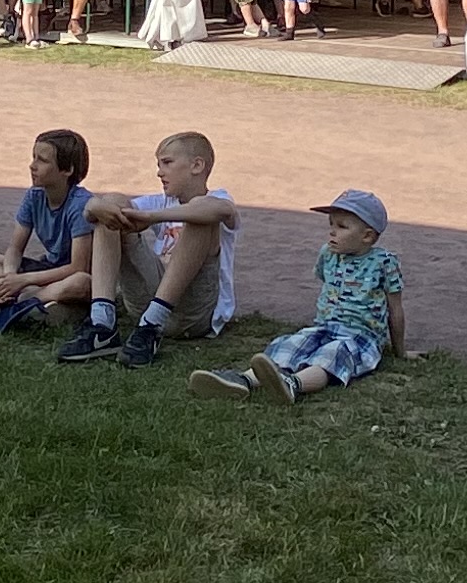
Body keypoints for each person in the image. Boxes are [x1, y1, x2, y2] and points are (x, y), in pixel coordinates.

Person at [193, 187, 406, 402]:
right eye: (331, 224)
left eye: (342, 227)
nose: (332, 231)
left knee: (333, 354)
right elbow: (328, 282)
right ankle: (242, 381)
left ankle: (294, 384)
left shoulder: (384, 263)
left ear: (367, 236)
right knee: (290, 345)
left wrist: (400, 351)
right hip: (324, 326)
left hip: (360, 335)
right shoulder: (328, 254)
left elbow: (395, 309)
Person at [59, 130, 240, 365]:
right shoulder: (161, 200)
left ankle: (152, 324)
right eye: (158, 164)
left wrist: (151, 218)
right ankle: (102, 324)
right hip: (146, 300)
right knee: (112, 205)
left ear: (196, 165)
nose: (159, 172)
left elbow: (223, 211)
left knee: (202, 216)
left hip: (193, 315)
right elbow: (96, 209)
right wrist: (96, 206)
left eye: (167, 163)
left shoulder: (218, 198)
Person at [0, 127, 96, 330]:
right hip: (46, 274)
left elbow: (78, 267)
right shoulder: (35, 195)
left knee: (82, 282)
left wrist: (22, 281)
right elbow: (15, 248)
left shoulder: (80, 205)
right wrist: (9, 276)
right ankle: (25, 301)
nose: (32, 166)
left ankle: (8, 300)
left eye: (42, 160)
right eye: (33, 157)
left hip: (70, 279)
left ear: (67, 170)